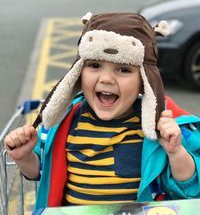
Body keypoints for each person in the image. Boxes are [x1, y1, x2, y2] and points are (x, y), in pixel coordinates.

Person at [4, 12, 200, 211]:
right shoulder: (63, 121)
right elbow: (38, 171)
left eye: (123, 69)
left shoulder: (159, 125)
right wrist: (24, 156)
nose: (106, 78)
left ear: (144, 80)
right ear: (78, 72)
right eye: (95, 65)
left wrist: (175, 152)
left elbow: (189, 186)